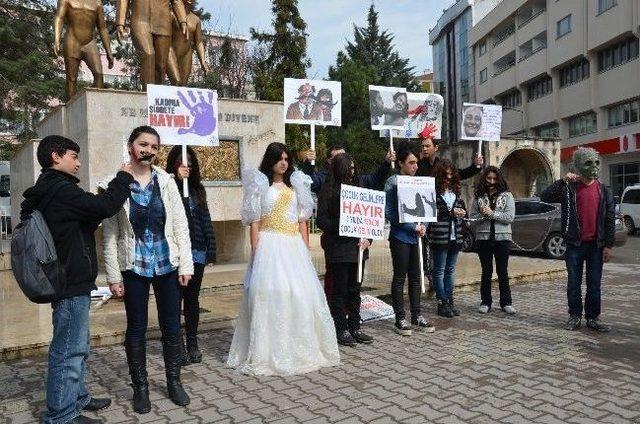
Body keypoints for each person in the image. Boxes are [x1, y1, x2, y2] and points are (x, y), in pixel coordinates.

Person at [20, 135, 133, 424]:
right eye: (73, 156)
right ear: (56, 157)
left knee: (77, 346)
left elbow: (80, 222)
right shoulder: (60, 190)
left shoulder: (51, 190)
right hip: (68, 282)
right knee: (68, 351)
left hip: (69, 279)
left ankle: (77, 397)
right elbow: (104, 207)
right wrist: (123, 178)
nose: (78, 162)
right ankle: (61, 414)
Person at [227, 142, 340, 375]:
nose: (284, 163)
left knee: (300, 294)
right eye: (279, 158)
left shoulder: (296, 184)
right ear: (270, 160)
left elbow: (302, 220)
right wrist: (256, 250)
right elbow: (255, 221)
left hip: (293, 246)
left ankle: (298, 347)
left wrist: (305, 247)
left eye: (287, 159)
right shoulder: (260, 185)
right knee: (267, 294)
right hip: (268, 245)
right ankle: (266, 351)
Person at [103, 126, 194, 414]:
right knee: (137, 328)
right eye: (143, 145)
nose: (149, 151)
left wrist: (187, 264)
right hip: (134, 267)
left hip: (167, 264)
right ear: (131, 146)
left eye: (154, 147)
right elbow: (110, 235)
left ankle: (173, 381)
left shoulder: (166, 182)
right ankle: (140, 387)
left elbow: (180, 225)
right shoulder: (115, 184)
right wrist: (114, 276)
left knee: (171, 326)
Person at [541, 147, 615, 332]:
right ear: (578, 166)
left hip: (596, 246)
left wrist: (608, 245)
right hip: (575, 244)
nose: (594, 167)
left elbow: (609, 220)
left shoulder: (604, 190)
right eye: (588, 163)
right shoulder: (569, 189)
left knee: (594, 283)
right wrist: (562, 180)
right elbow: (545, 196)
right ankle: (574, 316)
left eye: (596, 162)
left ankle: (593, 318)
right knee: (574, 282)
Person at [165, 145, 216, 364]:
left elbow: (205, 220)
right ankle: (178, 345)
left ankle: (192, 341)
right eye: (181, 164)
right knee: (174, 299)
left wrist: (211, 249)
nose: (187, 168)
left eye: (190, 164)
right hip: (176, 253)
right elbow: (177, 217)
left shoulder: (197, 189)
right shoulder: (169, 187)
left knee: (192, 299)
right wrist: (177, 181)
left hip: (197, 252)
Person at [317, 153, 374, 347]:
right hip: (339, 249)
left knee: (355, 290)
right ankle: (340, 329)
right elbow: (321, 220)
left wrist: (369, 240)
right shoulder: (329, 190)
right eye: (348, 168)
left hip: (358, 249)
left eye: (353, 168)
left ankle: (355, 327)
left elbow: (370, 219)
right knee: (340, 291)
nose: (352, 171)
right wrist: (343, 223)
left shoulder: (360, 189)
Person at [384, 144, 436, 336]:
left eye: (416, 163)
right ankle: (400, 318)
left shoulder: (421, 182)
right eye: (411, 163)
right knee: (400, 277)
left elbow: (428, 209)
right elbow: (390, 212)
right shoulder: (392, 182)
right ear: (400, 163)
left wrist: (424, 227)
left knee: (416, 278)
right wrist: (411, 227)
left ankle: (417, 315)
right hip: (400, 237)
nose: (415, 166)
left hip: (417, 238)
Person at [469, 166, 516, 315]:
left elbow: (509, 217)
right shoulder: (479, 196)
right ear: (485, 179)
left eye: (494, 178)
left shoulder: (507, 195)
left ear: (499, 179)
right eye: (489, 178)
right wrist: (483, 215)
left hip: (502, 238)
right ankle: (485, 302)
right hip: (483, 238)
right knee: (486, 271)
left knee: (502, 270)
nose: (492, 181)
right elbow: (473, 219)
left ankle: (506, 302)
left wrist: (492, 213)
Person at [429, 159, 466, 318]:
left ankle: (450, 300)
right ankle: (442, 302)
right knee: (439, 271)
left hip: (455, 236)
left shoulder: (455, 191)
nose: (449, 177)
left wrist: (463, 212)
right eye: (446, 174)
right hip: (439, 236)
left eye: (451, 174)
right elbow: (432, 213)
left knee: (450, 270)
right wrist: (451, 213)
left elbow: (460, 209)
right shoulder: (433, 192)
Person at [167, 0, 209, 85]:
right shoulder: (171, 14)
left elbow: (199, 42)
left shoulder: (196, 20)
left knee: (183, 84)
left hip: (186, 53)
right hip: (170, 51)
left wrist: (203, 61)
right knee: (176, 81)